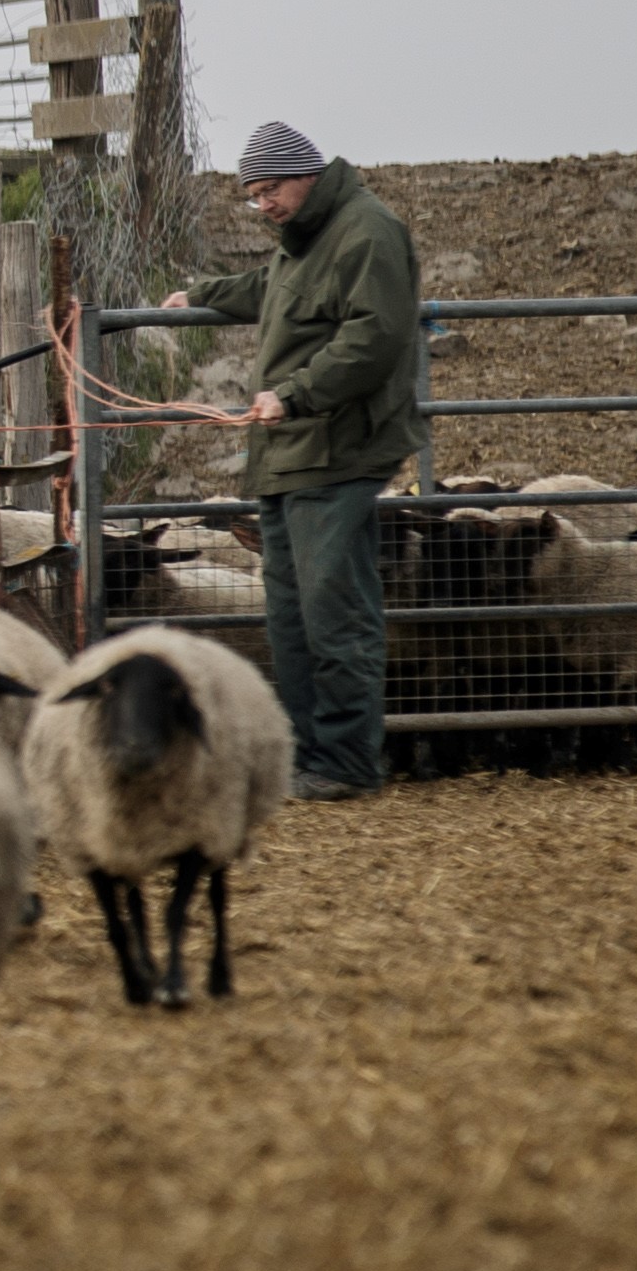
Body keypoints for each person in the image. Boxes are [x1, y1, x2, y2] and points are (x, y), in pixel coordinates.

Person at [159, 121, 423, 798]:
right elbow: (269, 289)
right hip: (288, 455)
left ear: (305, 175)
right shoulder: (304, 241)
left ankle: (345, 761)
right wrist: (202, 295)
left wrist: (295, 394)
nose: (262, 205)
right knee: (289, 615)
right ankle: (303, 756)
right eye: (252, 196)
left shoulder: (366, 232)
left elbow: (376, 336)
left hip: (336, 449)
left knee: (333, 610)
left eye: (269, 190)